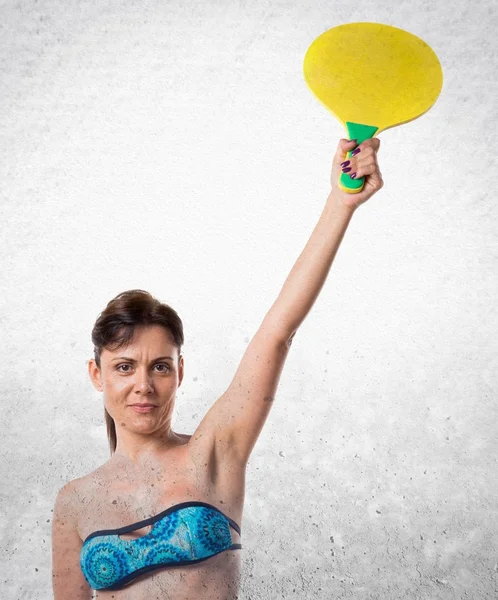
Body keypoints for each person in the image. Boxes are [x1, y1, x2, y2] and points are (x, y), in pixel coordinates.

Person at [52, 137, 383, 599]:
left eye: (160, 367)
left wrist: (340, 203)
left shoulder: (213, 453)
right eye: (125, 367)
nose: (143, 385)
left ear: (180, 373)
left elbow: (277, 332)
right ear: (96, 374)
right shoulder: (74, 501)